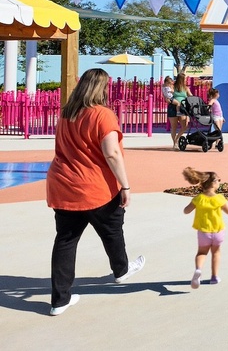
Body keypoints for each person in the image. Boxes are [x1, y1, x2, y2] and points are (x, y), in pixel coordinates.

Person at [45, 68, 145, 316]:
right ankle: (121, 270)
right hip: (94, 186)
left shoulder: (67, 114)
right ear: (103, 88)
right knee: (112, 230)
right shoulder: (103, 115)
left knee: (65, 241)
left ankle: (59, 300)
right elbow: (111, 153)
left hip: (63, 184)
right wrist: (125, 185)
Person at [181, 167, 228, 288]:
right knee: (216, 253)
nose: (219, 182)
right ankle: (214, 277)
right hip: (218, 232)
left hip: (204, 232)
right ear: (214, 183)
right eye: (219, 180)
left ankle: (198, 270)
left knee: (201, 253)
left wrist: (193, 206)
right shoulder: (219, 198)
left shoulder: (198, 199)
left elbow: (186, 211)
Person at [169, 74, 190, 148]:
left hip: (182, 108)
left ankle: (177, 139)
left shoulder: (186, 88)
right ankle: (174, 143)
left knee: (185, 126)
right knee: (174, 126)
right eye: (184, 79)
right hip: (173, 107)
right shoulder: (173, 87)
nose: (185, 80)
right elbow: (168, 96)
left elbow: (190, 95)